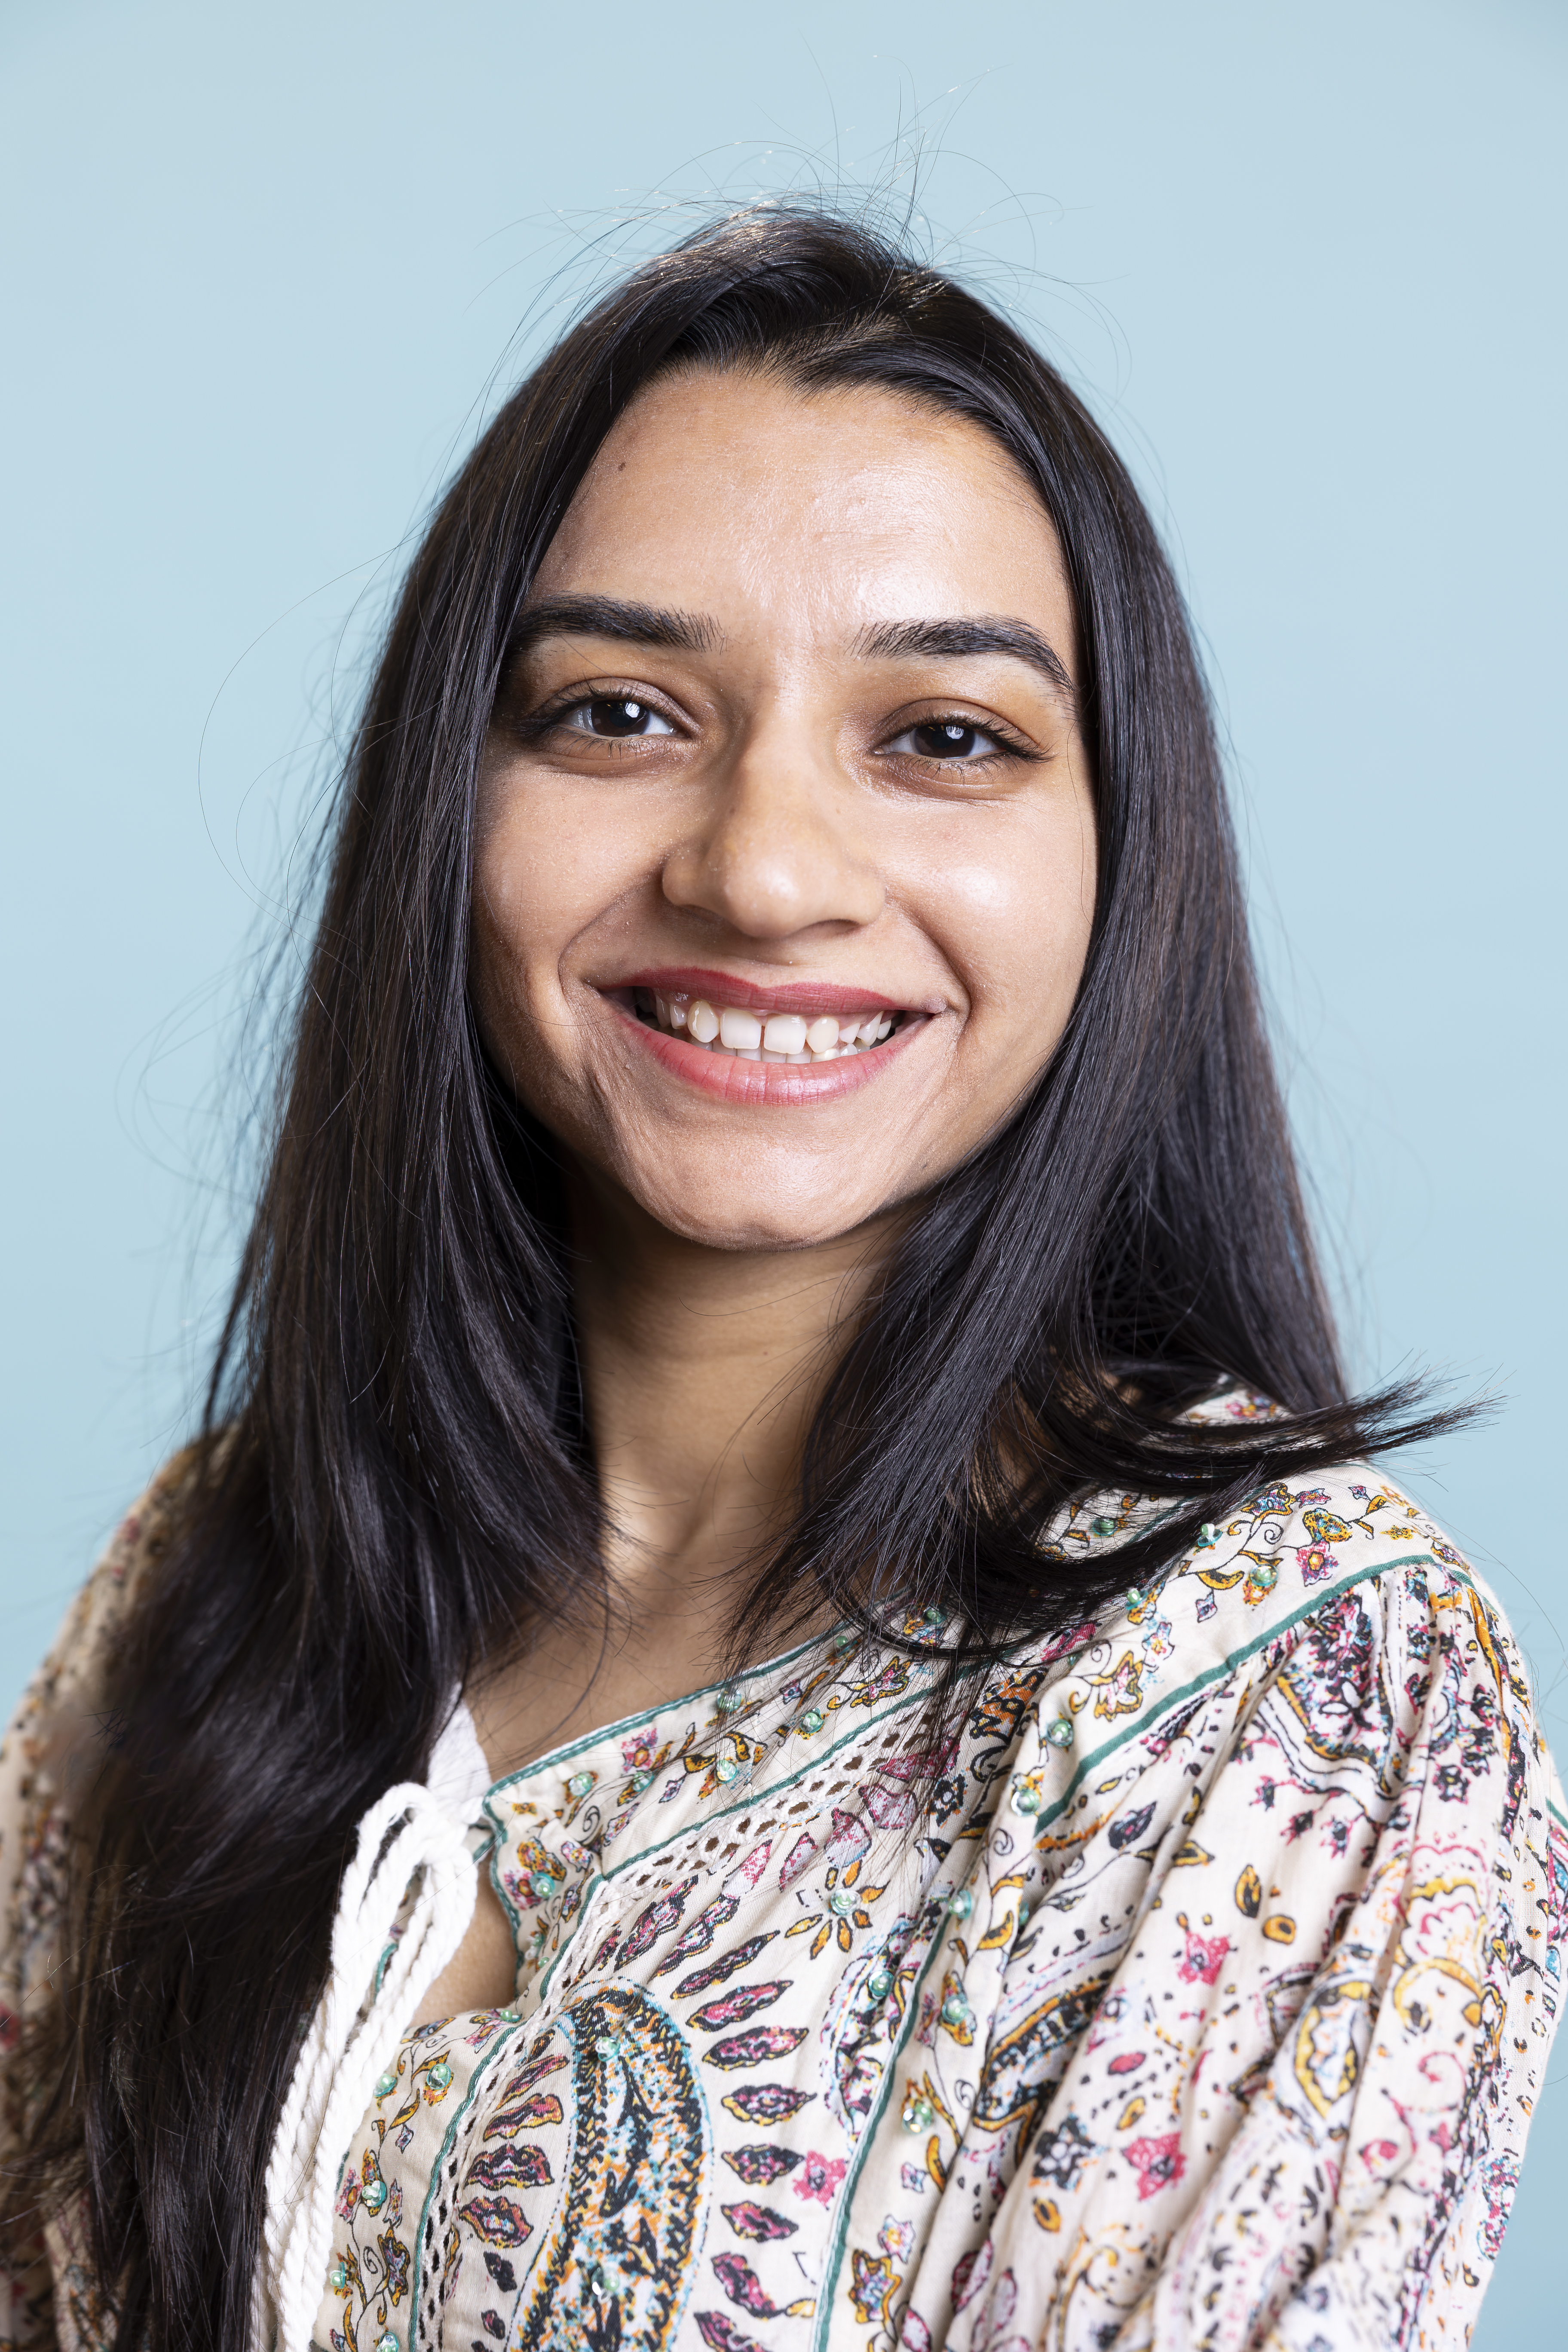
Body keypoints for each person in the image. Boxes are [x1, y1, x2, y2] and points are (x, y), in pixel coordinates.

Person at [0, 207, 1560, 2352]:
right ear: (448, 801)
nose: (761, 869)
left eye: (944, 737)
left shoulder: (1276, 1680)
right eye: (624, 711)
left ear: (1124, 856)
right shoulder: (206, 1584)